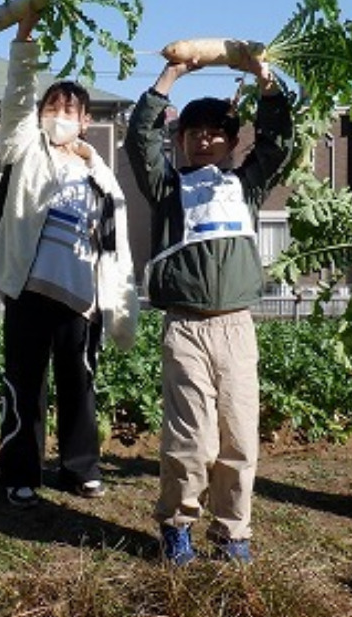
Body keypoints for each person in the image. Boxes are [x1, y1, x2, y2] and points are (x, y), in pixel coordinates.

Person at [125, 54, 293, 565]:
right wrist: (169, 79)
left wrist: (267, 86)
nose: (204, 139)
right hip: (186, 329)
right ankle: (178, 525)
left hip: (237, 327)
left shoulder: (246, 186)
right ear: (181, 140)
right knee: (191, 438)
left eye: (216, 132)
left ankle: (233, 531)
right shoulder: (168, 188)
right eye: (193, 132)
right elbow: (140, 142)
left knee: (240, 437)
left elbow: (278, 144)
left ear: (231, 140)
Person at [0, 12, 139, 508]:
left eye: (70, 109)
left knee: (79, 386)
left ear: (87, 121)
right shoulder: (26, 150)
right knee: (23, 386)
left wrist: (111, 299)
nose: (60, 115)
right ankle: (20, 473)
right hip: (29, 290)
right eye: (53, 106)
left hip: (81, 299)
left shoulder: (100, 175)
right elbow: (16, 98)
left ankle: (79, 470)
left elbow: (113, 243)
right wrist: (24, 41)